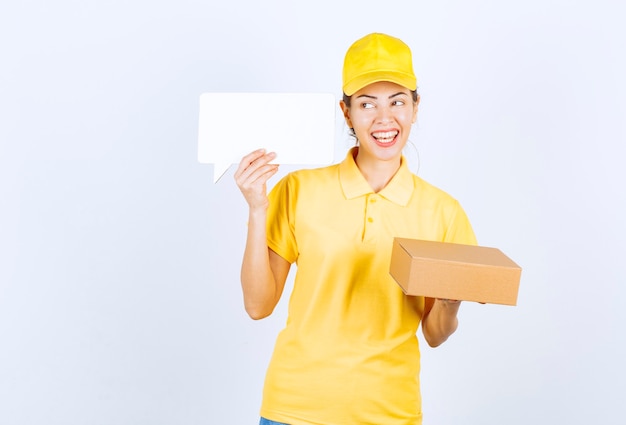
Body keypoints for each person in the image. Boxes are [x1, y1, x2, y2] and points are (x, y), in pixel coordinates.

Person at [234, 33, 477, 425]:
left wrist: (451, 301)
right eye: (367, 104)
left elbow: (435, 334)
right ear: (346, 113)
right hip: (295, 410)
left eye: (398, 101)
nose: (384, 119)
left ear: (416, 107)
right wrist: (257, 208)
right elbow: (257, 306)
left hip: (390, 413)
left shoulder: (443, 212)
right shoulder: (299, 190)